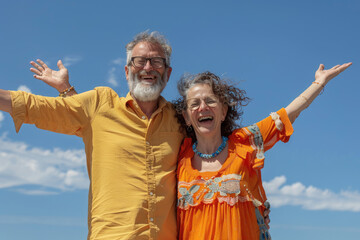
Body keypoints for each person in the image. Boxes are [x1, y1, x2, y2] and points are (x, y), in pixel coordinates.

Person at [1, 31, 184, 240]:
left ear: (168, 73)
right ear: (127, 71)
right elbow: (39, 107)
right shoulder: (100, 104)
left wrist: (66, 90)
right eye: (139, 61)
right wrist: (66, 91)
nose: (148, 67)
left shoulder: (180, 121)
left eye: (156, 61)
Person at [171, 63, 351, 239]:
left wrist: (319, 82)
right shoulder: (177, 157)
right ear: (186, 117)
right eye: (194, 104)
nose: (203, 107)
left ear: (224, 112)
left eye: (210, 101)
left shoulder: (244, 142)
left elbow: (288, 114)